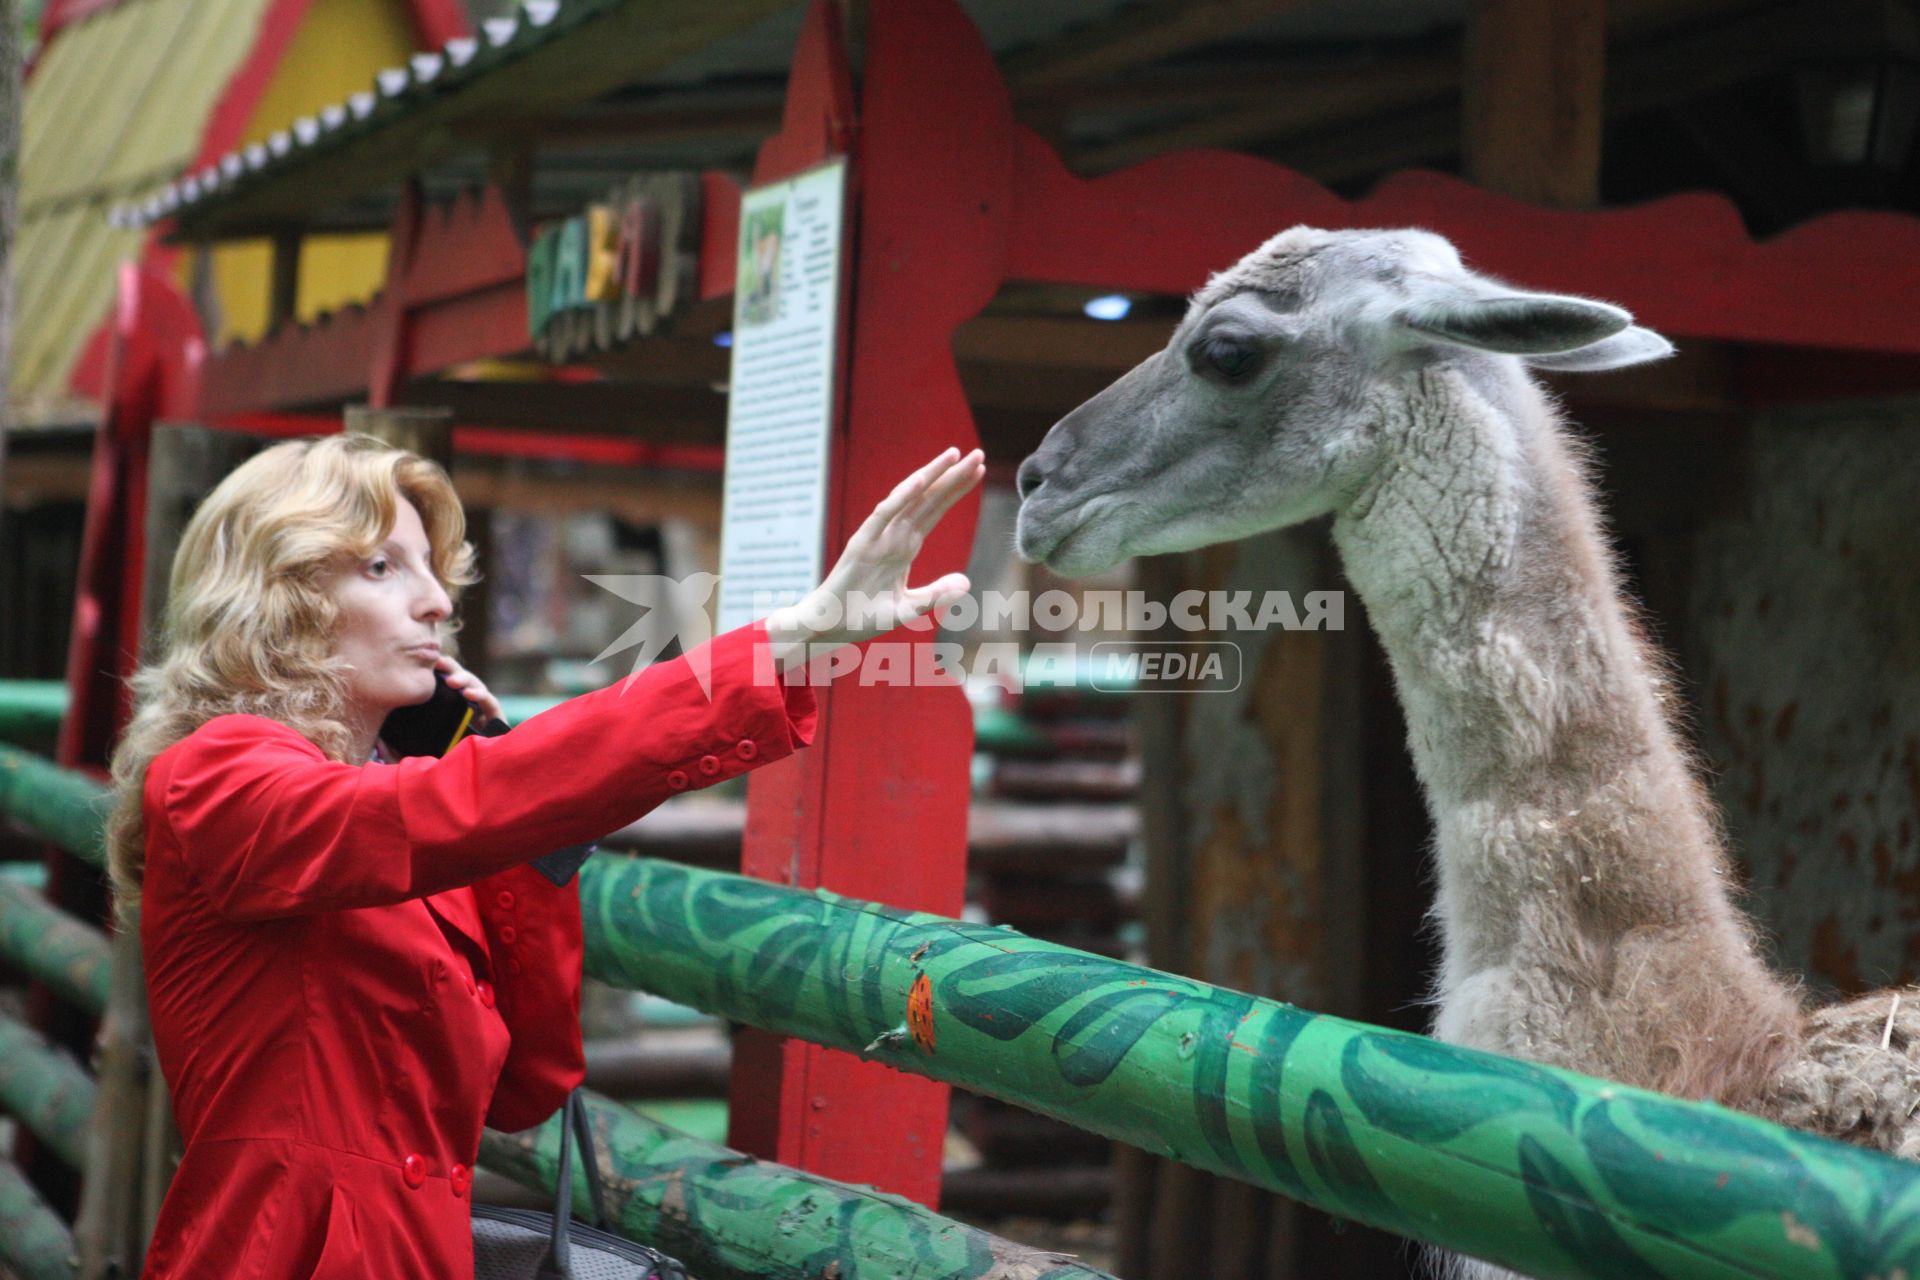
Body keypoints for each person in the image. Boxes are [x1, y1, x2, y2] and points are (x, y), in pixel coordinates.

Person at [103, 432, 985, 1278]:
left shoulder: (400, 803)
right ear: (274, 596)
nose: (438, 603)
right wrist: (789, 641)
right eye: (382, 568)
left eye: (431, 571)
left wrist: (518, 820)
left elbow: (530, 1081)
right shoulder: (213, 775)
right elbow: (422, 817)